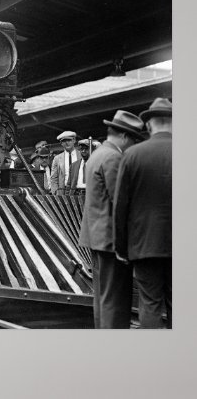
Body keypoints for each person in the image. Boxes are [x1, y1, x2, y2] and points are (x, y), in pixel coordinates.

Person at [79, 110, 144, 328]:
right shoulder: (113, 158)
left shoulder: (98, 154)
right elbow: (120, 202)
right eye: (134, 140)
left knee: (103, 297)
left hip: (95, 236)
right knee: (116, 299)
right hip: (111, 240)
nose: (133, 145)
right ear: (125, 137)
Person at [113, 98, 172, 329]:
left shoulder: (133, 155)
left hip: (144, 245)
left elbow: (121, 206)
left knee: (150, 303)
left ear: (149, 126)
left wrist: (121, 247)